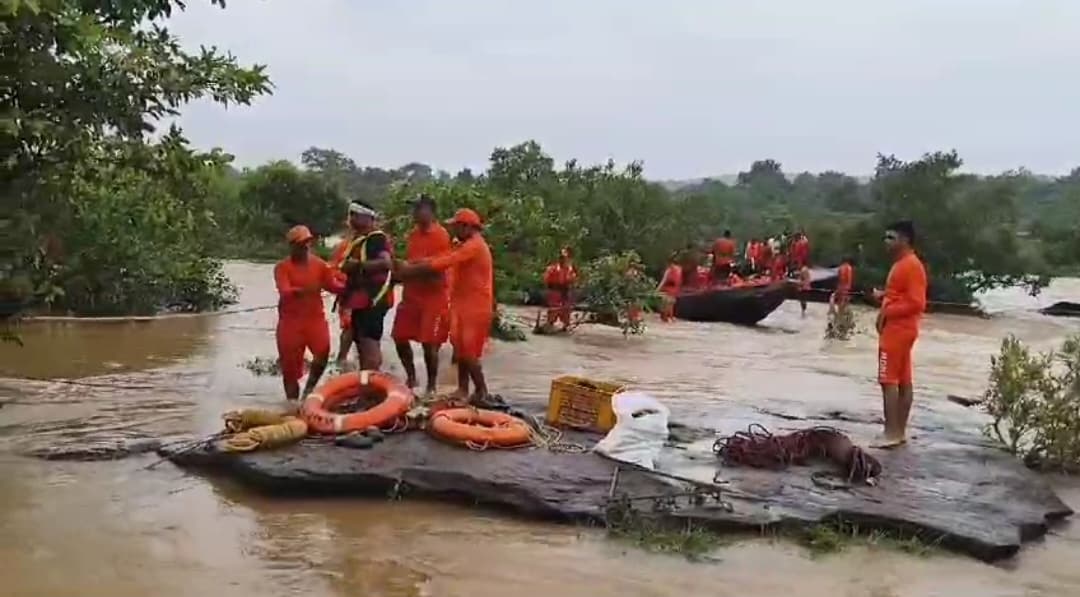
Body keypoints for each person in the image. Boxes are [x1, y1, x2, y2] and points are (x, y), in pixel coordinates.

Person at [396, 208, 493, 403]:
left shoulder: (474, 246)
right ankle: (463, 389)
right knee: (460, 347)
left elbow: (445, 262)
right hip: (462, 303)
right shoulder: (465, 244)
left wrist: (410, 269)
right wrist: (415, 264)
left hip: (475, 305)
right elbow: (442, 257)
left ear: (466, 227)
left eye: (457, 226)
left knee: (469, 351)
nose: (454, 231)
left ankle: (482, 391)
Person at [871, 221, 927, 449]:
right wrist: (883, 296)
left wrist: (887, 311)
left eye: (891, 238)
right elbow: (900, 294)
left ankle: (891, 432)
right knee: (903, 380)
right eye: (885, 237)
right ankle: (899, 431)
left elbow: (917, 302)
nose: (886, 242)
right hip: (901, 329)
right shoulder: (904, 265)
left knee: (888, 380)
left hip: (898, 330)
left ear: (905, 240)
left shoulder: (910, 265)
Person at [273, 225, 345, 400]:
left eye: (307, 242)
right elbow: (285, 290)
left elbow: (333, 286)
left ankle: (309, 390)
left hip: (314, 319)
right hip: (290, 323)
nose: (305, 246)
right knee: (289, 371)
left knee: (323, 352)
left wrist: (348, 285)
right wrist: (301, 290)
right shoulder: (282, 267)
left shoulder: (319, 265)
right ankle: (292, 405)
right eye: (300, 244)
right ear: (292, 246)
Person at [391, 194, 452, 395]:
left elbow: (436, 267)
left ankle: (432, 386)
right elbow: (412, 263)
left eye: (419, 209)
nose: (414, 213)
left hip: (433, 297)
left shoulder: (441, 235)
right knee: (399, 336)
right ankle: (411, 377)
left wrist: (408, 269)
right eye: (414, 209)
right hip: (412, 295)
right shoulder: (412, 235)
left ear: (430, 211)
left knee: (429, 343)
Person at [339, 202, 394, 371]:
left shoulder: (375, 238)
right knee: (361, 343)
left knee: (369, 344)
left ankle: (372, 387)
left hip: (372, 299)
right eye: (350, 214)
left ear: (366, 217)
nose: (351, 218)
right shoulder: (358, 239)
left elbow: (386, 263)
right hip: (360, 300)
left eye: (354, 214)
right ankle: (364, 386)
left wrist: (357, 266)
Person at [543, 246, 578, 330]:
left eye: (566, 258)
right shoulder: (552, 268)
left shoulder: (570, 269)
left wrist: (571, 282)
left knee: (566, 308)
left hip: (565, 290)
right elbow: (546, 279)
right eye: (562, 258)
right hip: (555, 290)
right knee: (554, 307)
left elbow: (574, 279)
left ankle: (565, 324)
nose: (564, 260)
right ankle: (550, 323)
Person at [657, 252, 682, 322]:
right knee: (670, 306)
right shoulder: (679, 269)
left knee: (665, 306)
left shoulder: (670, 269)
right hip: (674, 290)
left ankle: (666, 318)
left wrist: (657, 289)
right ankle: (670, 318)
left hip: (668, 290)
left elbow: (664, 280)